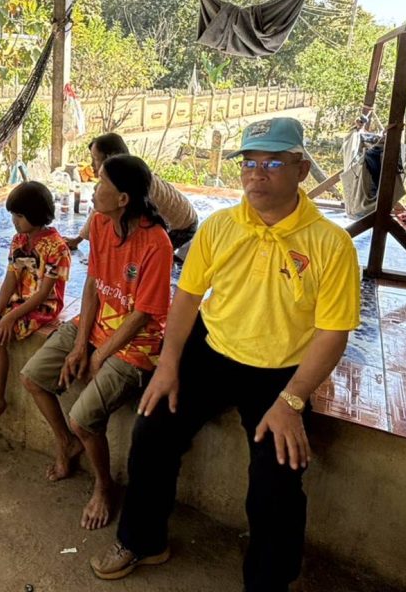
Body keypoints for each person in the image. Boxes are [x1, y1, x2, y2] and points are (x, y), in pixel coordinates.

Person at [90, 118, 362, 591]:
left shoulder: (330, 244)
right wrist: (169, 364)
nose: (257, 174)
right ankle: (143, 540)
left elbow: (333, 333)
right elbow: (188, 298)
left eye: (273, 163)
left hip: (282, 368)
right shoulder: (220, 226)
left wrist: (292, 400)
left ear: (301, 169)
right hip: (213, 349)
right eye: (250, 163)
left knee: (278, 477)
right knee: (152, 430)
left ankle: (267, 584)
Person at [21, 155, 172, 531]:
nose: (93, 187)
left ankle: (104, 486)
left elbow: (144, 314)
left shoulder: (157, 243)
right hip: (95, 326)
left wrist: (100, 354)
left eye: (101, 181)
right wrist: (79, 345)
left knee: (83, 420)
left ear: (123, 198)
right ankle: (66, 444)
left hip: (138, 343)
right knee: (33, 377)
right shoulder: (102, 224)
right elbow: (92, 284)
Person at [0, 181, 71, 432]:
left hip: (41, 305)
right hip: (18, 299)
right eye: (13, 215)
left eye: (20, 216)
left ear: (37, 214)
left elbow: (44, 294)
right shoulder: (19, 240)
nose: (14, 221)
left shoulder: (57, 248)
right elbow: (11, 278)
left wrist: (9, 318)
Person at [65, 132, 198, 253]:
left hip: (183, 226)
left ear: (110, 158)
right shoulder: (121, 175)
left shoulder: (131, 181)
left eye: (95, 158)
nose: (92, 164)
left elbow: (100, 210)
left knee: (144, 255)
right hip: (174, 220)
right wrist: (78, 239)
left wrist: (77, 240)